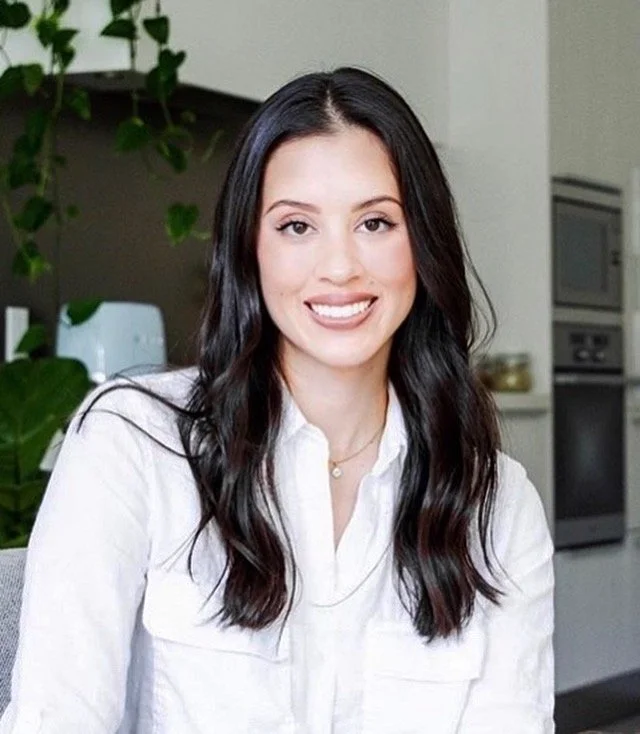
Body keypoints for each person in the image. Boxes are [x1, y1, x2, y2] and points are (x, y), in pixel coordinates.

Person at [0, 67, 554, 733]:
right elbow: (55, 719)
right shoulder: (134, 445)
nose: (341, 266)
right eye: (297, 227)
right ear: (249, 248)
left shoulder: (497, 505)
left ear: (424, 243)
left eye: (375, 222)